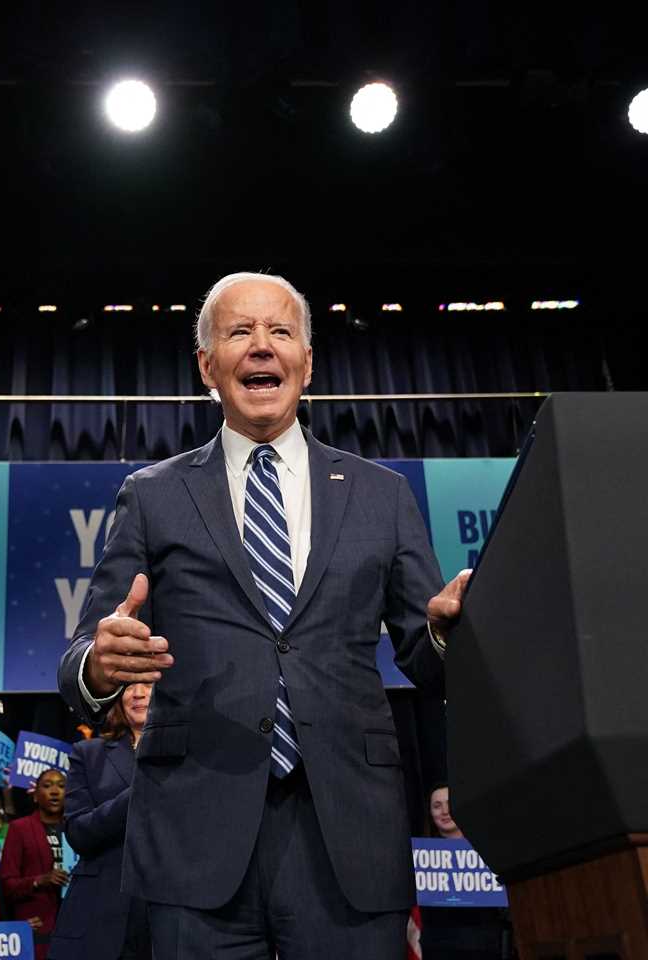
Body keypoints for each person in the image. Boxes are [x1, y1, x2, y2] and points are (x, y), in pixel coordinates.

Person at [57, 271, 471, 959]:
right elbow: (79, 659)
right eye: (239, 332)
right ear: (207, 366)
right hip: (195, 834)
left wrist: (446, 633)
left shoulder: (382, 495)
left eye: (280, 331)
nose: (260, 347)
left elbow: (425, 659)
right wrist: (98, 664)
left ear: (307, 364)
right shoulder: (152, 496)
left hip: (347, 832)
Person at [51, 683, 152, 960]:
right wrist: (138, 792)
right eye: (129, 687)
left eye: (148, 685)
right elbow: (78, 833)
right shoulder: (89, 754)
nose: (138, 693)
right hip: (99, 919)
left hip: (166, 919)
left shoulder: (188, 755)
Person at [420, 784, 511, 959]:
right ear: (430, 813)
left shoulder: (489, 847)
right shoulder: (421, 857)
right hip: (439, 949)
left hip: (486, 947)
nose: (445, 811)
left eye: (449, 803)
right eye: (437, 806)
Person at [0, 769, 69, 959]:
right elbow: (7, 883)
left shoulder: (77, 828)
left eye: (61, 786)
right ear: (36, 796)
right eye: (47, 786)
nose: (55, 791)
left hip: (75, 926)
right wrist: (39, 880)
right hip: (36, 928)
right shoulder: (19, 828)